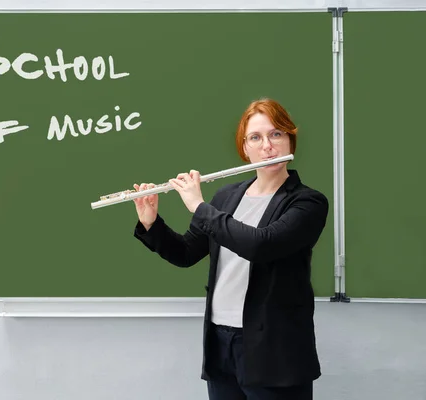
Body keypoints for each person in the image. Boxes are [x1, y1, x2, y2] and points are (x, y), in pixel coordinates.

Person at [132, 98, 329, 400]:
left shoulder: (307, 202)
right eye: (256, 137)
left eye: (276, 134)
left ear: (290, 139)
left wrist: (198, 206)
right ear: (245, 148)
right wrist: (151, 223)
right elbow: (186, 253)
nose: (267, 146)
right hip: (221, 341)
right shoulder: (226, 197)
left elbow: (260, 245)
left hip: (275, 349)